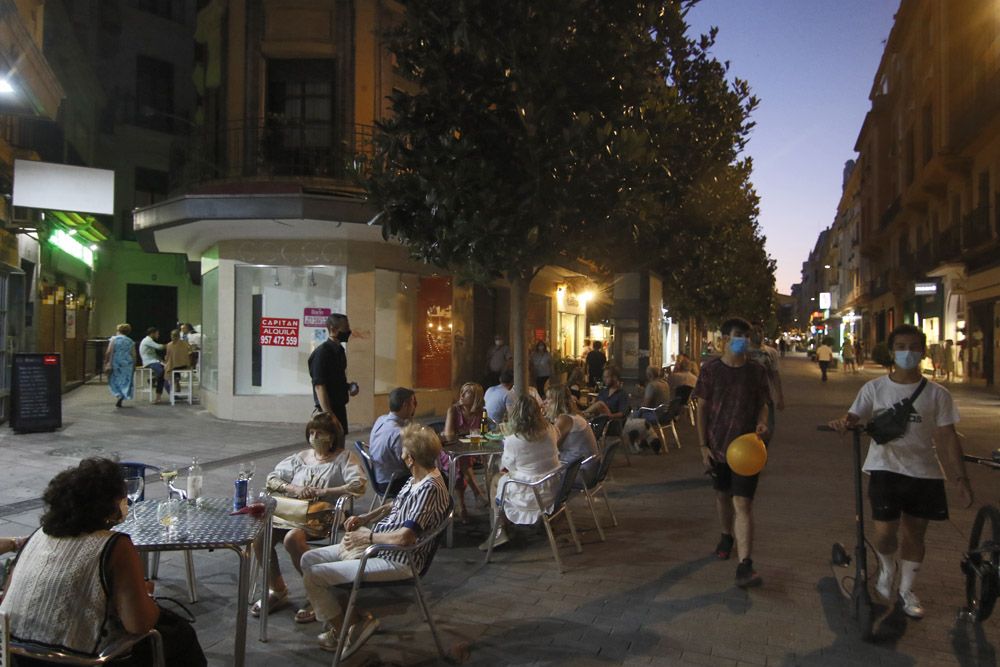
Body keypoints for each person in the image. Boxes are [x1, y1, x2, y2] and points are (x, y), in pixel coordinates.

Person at [0, 458, 206, 665]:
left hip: (16, 656)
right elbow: (138, 624)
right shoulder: (115, 546)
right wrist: (146, 595)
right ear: (109, 505)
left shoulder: (38, 536)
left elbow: (8, 598)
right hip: (79, 660)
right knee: (180, 635)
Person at [828, 324, 974, 619]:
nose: (907, 352)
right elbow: (854, 416)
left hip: (924, 472)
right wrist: (843, 422)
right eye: (901, 346)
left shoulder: (937, 394)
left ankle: (906, 589)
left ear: (922, 352)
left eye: (913, 346)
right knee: (884, 534)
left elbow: (947, 436)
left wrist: (960, 479)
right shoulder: (875, 388)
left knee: (915, 536)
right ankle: (886, 568)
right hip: (885, 469)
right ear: (892, 352)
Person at [301, 423, 450, 655]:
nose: (400, 455)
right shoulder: (417, 477)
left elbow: (405, 537)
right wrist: (365, 517)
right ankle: (353, 619)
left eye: (402, 451)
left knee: (314, 576)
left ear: (410, 459)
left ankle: (344, 630)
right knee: (308, 559)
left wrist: (367, 537)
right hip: (381, 548)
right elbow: (395, 504)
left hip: (399, 559)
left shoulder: (429, 488)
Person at [257, 413, 366, 622]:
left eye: (320, 433)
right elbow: (272, 478)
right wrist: (294, 488)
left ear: (332, 436)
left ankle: (318, 592)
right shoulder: (301, 458)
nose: (314, 436)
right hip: (294, 513)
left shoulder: (344, 458)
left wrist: (324, 491)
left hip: (324, 516)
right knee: (260, 536)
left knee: (292, 539)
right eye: (312, 432)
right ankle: (277, 588)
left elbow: (358, 485)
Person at [694, 317, 770, 588]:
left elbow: (764, 404)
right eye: (739, 335)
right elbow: (701, 408)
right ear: (725, 338)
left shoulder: (757, 371)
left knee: (743, 504)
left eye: (747, 336)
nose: (744, 340)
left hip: (748, 450)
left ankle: (745, 564)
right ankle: (726, 535)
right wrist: (703, 445)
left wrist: (763, 421)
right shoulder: (711, 370)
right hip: (717, 446)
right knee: (722, 496)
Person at [481, 395, 563, 550]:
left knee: (496, 480)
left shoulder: (514, 439)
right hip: (554, 489)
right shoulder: (551, 429)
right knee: (503, 478)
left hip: (532, 493)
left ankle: (498, 530)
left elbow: (508, 465)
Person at [441, 382, 487, 517]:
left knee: (463, 462)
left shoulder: (481, 412)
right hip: (449, 451)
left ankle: (464, 505)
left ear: (476, 398)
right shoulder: (453, 410)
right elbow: (449, 435)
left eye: (466, 393)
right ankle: (471, 499)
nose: (461, 395)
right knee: (460, 465)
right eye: (462, 391)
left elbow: (483, 432)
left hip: (468, 450)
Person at [309, 313, 358, 430]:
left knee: (339, 445)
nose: (348, 331)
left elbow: (335, 380)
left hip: (340, 408)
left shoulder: (340, 351)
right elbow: (319, 386)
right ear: (333, 329)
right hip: (328, 411)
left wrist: (348, 386)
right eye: (345, 328)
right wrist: (329, 415)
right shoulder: (322, 353)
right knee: (329, 444)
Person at [545, 385, 600, 483]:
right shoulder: (574, 416)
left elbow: (551, 448)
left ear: (557, 402)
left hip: (579, 473)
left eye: (549, 399)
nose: (545, 402)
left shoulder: (565, 419)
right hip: (588, 468)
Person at [369, 387, 418, 498]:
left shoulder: (381, 419)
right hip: (391, 482)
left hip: (378, 476)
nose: (414, 407)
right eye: (413, 403)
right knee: (437, 477)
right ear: (405, 405)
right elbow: (407, 463)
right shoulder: (398, 433)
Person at [622, 366, 671, 454]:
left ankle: (633, 442)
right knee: (638, 418)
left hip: (654, 414)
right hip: (666, 413)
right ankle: (646, 440)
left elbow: (645, 405)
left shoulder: (652, 385)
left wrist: (636, 406)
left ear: (649, 375)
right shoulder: (665, 383)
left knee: (630, 419)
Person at [749, 331, 785, 445]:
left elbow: (775, 375)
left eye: (760, 330)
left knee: (766, 432)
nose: (757, 333)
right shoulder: (742, 352)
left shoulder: (770, 352)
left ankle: (761, 455)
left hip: (765, 396)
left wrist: (780, 396)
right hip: (745, 397)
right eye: (754, 330)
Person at [105, 323, 136, 408]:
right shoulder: (130, 341)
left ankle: (118, 394)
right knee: (125, 380)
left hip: (116, 362)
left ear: (118, 331)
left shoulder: (114, 339)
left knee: (113, 379)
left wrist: (106, 362)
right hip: (127, 363)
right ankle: (123, 393)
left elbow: (108, 352)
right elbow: (133, 354)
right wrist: (134, 365)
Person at [139, 327, 166, 403]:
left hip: (153, 361)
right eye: (157, 333)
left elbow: (153, 355)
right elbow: (159, 347)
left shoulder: (150, 340)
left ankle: (153, 380)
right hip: (149, 362)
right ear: (152, 333)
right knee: (162, 372)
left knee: (166, 371)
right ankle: (158, 395)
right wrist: (171, 344)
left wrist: (162, 361)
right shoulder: (147, 340)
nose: (158, 335)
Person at [163, 328, 193, 394]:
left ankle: (173, 387)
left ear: (171, 336)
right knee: (176, 366)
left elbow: (167, 358)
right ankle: (177, 381)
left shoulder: (169, 345)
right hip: (185, 365)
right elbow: (190, 351)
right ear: (179, 336)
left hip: (174, 366)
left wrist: (165, 361)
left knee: (168, 369)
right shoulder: (185, 343)